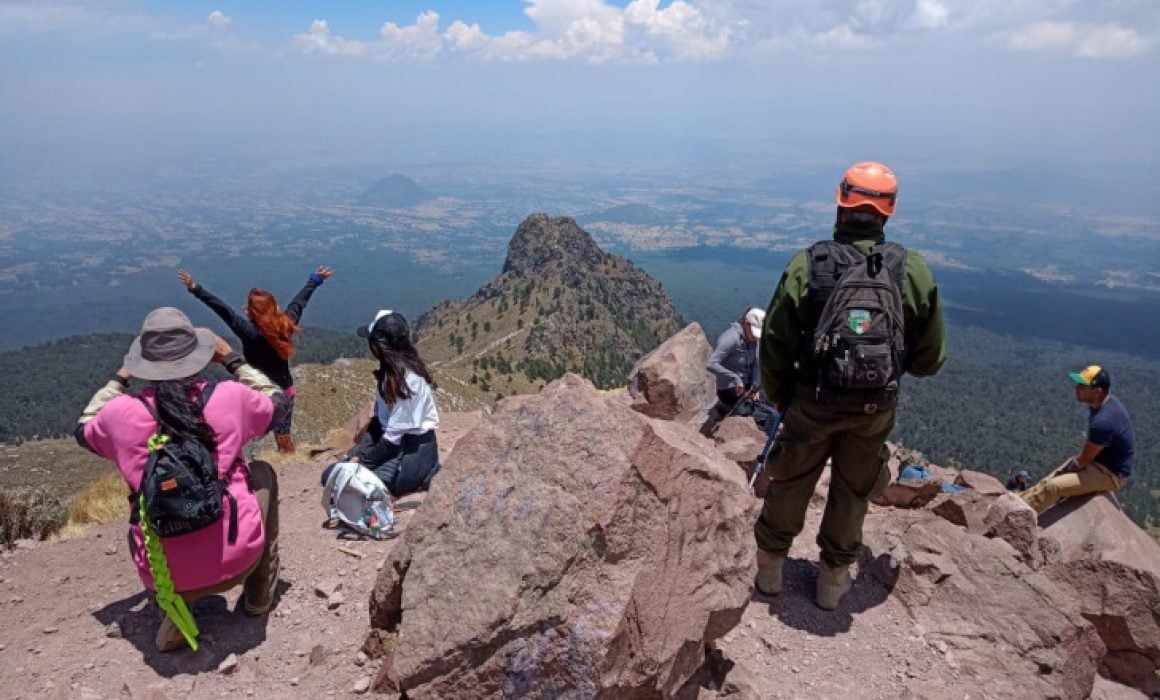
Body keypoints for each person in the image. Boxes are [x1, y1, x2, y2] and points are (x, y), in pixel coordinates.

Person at [753, 161, 946, 610]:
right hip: (873, 408)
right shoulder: (909, 269)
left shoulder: (810, 264)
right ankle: (832, 583)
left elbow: (776, 340)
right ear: (888, 212)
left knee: (792, 477)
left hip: (812, 400)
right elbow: (930, 358)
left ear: (840, 204)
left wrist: (781, 393)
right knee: (854, 487)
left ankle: (769, 573)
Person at [74, 307, 289, 651]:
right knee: (262, 473)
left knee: (143, 508)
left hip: (164, 577)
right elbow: (277, 403)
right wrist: (232, 360)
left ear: (144, 362)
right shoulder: (228, 398)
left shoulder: (119, 415)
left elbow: (84, 427)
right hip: (238, 561)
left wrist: (119, 378)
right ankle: (258, 596)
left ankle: (175, 607)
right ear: (197, 356)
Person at [178, 266, 334, 453]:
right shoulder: (285, 324)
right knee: (283, 435)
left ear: (254, 312)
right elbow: (299, 302)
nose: (245, 308)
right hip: (284, 392)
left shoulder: (248, 332)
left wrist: (195, 288)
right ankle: (288, 458)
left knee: (243, 431)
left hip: (256, 393)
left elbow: (223, 309)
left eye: (249, 306)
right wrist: (315, 280)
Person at [343, 310, 440, 498]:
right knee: (335, 475)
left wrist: (362, 465)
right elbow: (379, 422)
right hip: (394, 445)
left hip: (412, 452)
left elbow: (392, 439)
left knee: (356, 485)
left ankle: (422, 474)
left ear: (379, 346)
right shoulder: (389, 374)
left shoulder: (409, 380)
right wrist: (359, 455)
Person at [1020, 365, 1135, 515]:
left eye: (1082, 385)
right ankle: (1021, 502)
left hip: (1110, 474)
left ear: (1097, 391)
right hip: (1099, 461)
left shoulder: (1103, 421)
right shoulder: (1104, 403)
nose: (1076, 388)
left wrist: (1070, 469)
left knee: (1053, 487)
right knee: (1051, 478)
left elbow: (1084, 460)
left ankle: (1019, 517)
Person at [706, 307, 766, 419]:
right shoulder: (731, 339)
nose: (756, 337)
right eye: (754, 332)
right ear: (746, 323)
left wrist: (755, 386)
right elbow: (711, 364)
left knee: (768, 407)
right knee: (749, 414)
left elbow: (756, 365)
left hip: (747, 386)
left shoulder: (754, 341)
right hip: (729, 388)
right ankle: (724, 407)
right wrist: (734, 378)